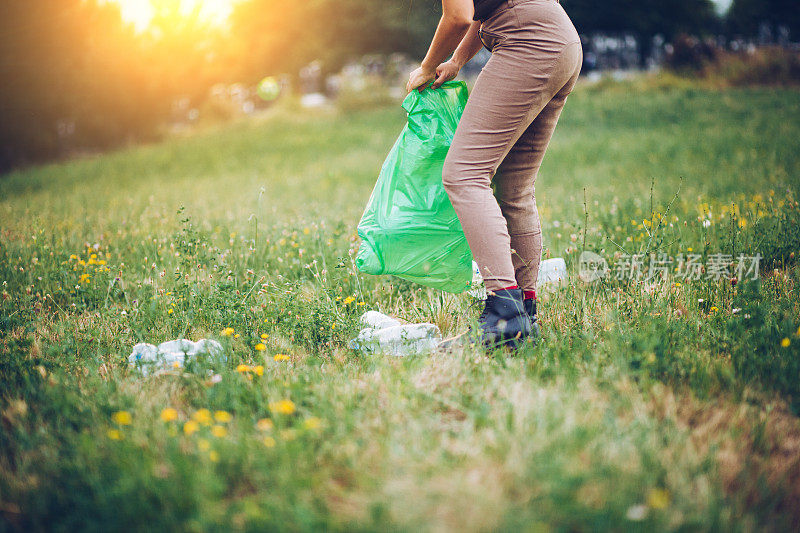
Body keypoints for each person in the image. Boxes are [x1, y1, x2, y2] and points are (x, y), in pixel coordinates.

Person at [407, 0, 582, 348]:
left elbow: (457, 16)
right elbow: (481, 9)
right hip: (560, 39)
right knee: (515, 188)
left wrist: (426, 67)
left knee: (464, 174)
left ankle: (505, 311)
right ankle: (523, 315)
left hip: (527, 42)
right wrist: (456, 60)